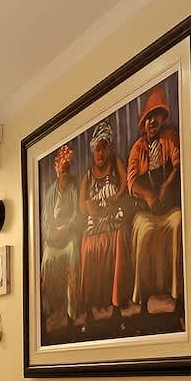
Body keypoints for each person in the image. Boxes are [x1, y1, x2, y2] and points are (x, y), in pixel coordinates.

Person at [126, 83, 183, 316]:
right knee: (144, 230)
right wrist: (149, 194)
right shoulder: (138, 148)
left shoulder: (170, 138)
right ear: (144, 122)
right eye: (148, 117)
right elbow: (131, 181)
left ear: (162, 118)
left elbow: (178, 164)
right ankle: (142, 296)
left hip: (168, 208)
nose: (152, 121)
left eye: (156, 116)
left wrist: (166, 186)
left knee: (178, 223)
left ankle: (176, 294)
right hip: (147, 210)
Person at [77, 120, 129, 324]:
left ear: (108, 148)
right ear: (92, 151)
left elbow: (125, 184)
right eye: (97, 150)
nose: (100, 153)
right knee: (88, 248)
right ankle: (91, 305)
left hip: (115, 216)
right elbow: (82, 205)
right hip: (96, 221)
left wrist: (115, 199)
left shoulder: (116, 164)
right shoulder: (88, 176)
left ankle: (116, 303)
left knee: (117, 242)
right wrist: (91, 207)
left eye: (103, 148)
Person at [39, 144, 81, 331]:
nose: (65, 173)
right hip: (54, 239)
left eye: (67, 169)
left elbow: (77, 215)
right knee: (46, 259)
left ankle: (72, 311)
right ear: (57, 170)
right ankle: (50, 310)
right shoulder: (50, 193)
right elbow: (45, 222)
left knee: (72, 253)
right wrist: (53, 235)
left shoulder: (74, 186)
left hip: (69, 236)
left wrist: (66, 229)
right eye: (62, 169)